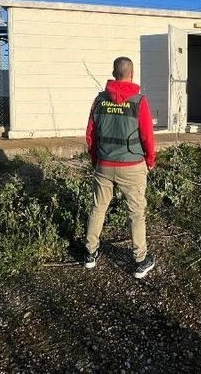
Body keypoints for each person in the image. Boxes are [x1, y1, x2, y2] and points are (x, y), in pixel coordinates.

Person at [84, 56, 156, 279]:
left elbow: (90, 135)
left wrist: (95, 159)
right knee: (136, 213)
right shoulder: (139, 101)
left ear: (114, 74)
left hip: (104, 165)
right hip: (132, 166)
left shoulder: (99, 100)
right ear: (131, 74)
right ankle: (140, 260)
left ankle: (90, 253)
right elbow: (147, 136)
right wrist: (150, 160)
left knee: (98, 208)